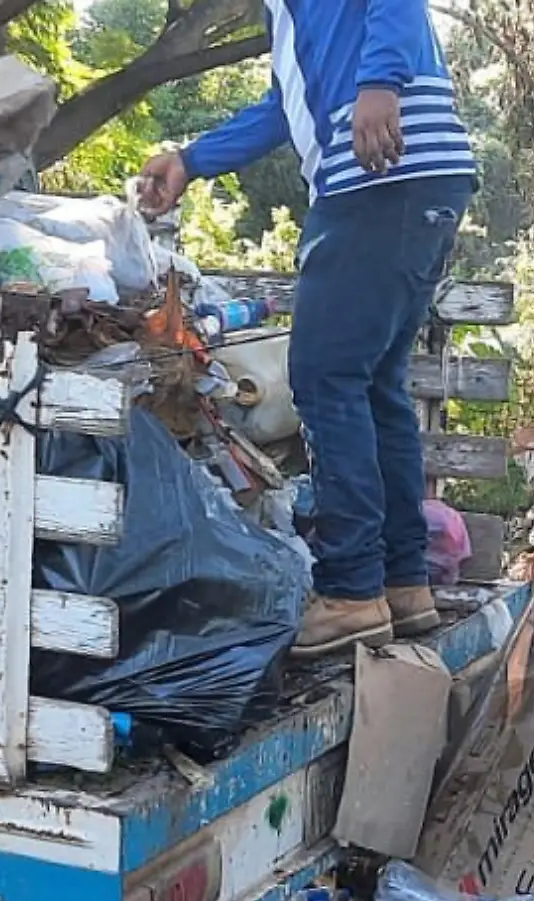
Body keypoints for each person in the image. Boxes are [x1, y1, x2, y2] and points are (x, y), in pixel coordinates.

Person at [138, 0, 476, 657]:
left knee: (323, 376)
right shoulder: (290, 19)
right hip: (419, 181)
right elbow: (282, 109)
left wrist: (380, 85)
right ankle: (402, 581)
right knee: (375, 384)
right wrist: (191, 158)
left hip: (383, 177)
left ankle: (351, 591)